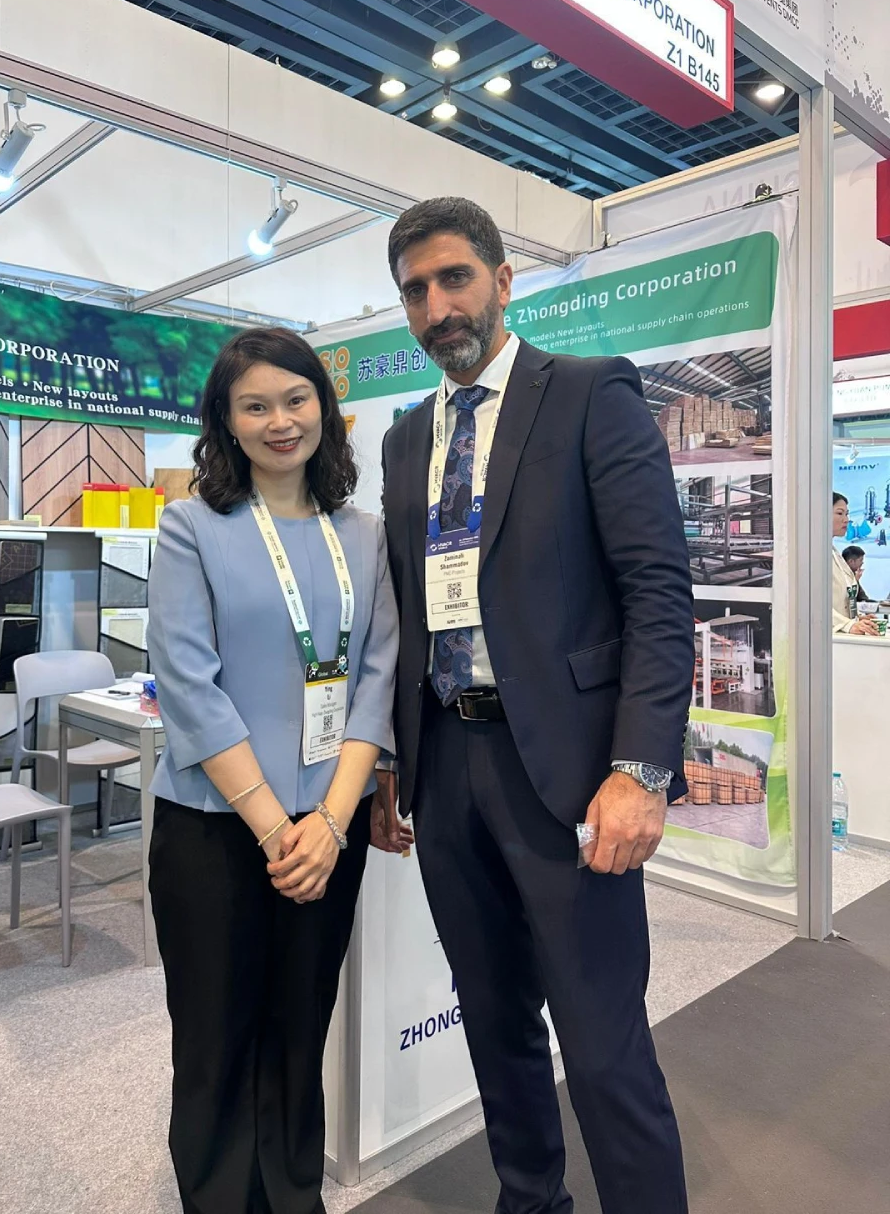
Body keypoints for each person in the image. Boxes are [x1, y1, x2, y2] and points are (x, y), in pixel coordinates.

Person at [375, 197, 694, 1214]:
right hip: (445, 766)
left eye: (454, 278)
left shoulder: (591, 395)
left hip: (568, 773)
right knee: (494, 1023)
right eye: (415, 290)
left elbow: (657, 593)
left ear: (503, 281)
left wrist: (641, 769)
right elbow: (404, 612)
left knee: (602, 1042)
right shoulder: (404, 439)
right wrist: (388, 763)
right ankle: (530, 1200)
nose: (437, 307)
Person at [146, 327, 400, 1214]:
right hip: (216, 830)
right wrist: (277, 828)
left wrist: (329, 822)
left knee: (300, 1030)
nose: (280, 420)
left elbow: (376, 680)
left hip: (327, 833)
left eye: (296, 399)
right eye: (254, 405)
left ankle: (294, 1195)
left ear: (325, 409)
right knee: (216, 1037)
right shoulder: (191, 526)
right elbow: (189, 684)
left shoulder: (364, 535)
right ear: (226, 420)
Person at [833, 493, 879, 635]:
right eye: (840, 513)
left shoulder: (834, 553)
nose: (846, 520)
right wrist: (847, 624)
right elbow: (812, 604)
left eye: (847, 514)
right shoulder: (811, 554)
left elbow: (841, 601)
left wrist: (857, 618)